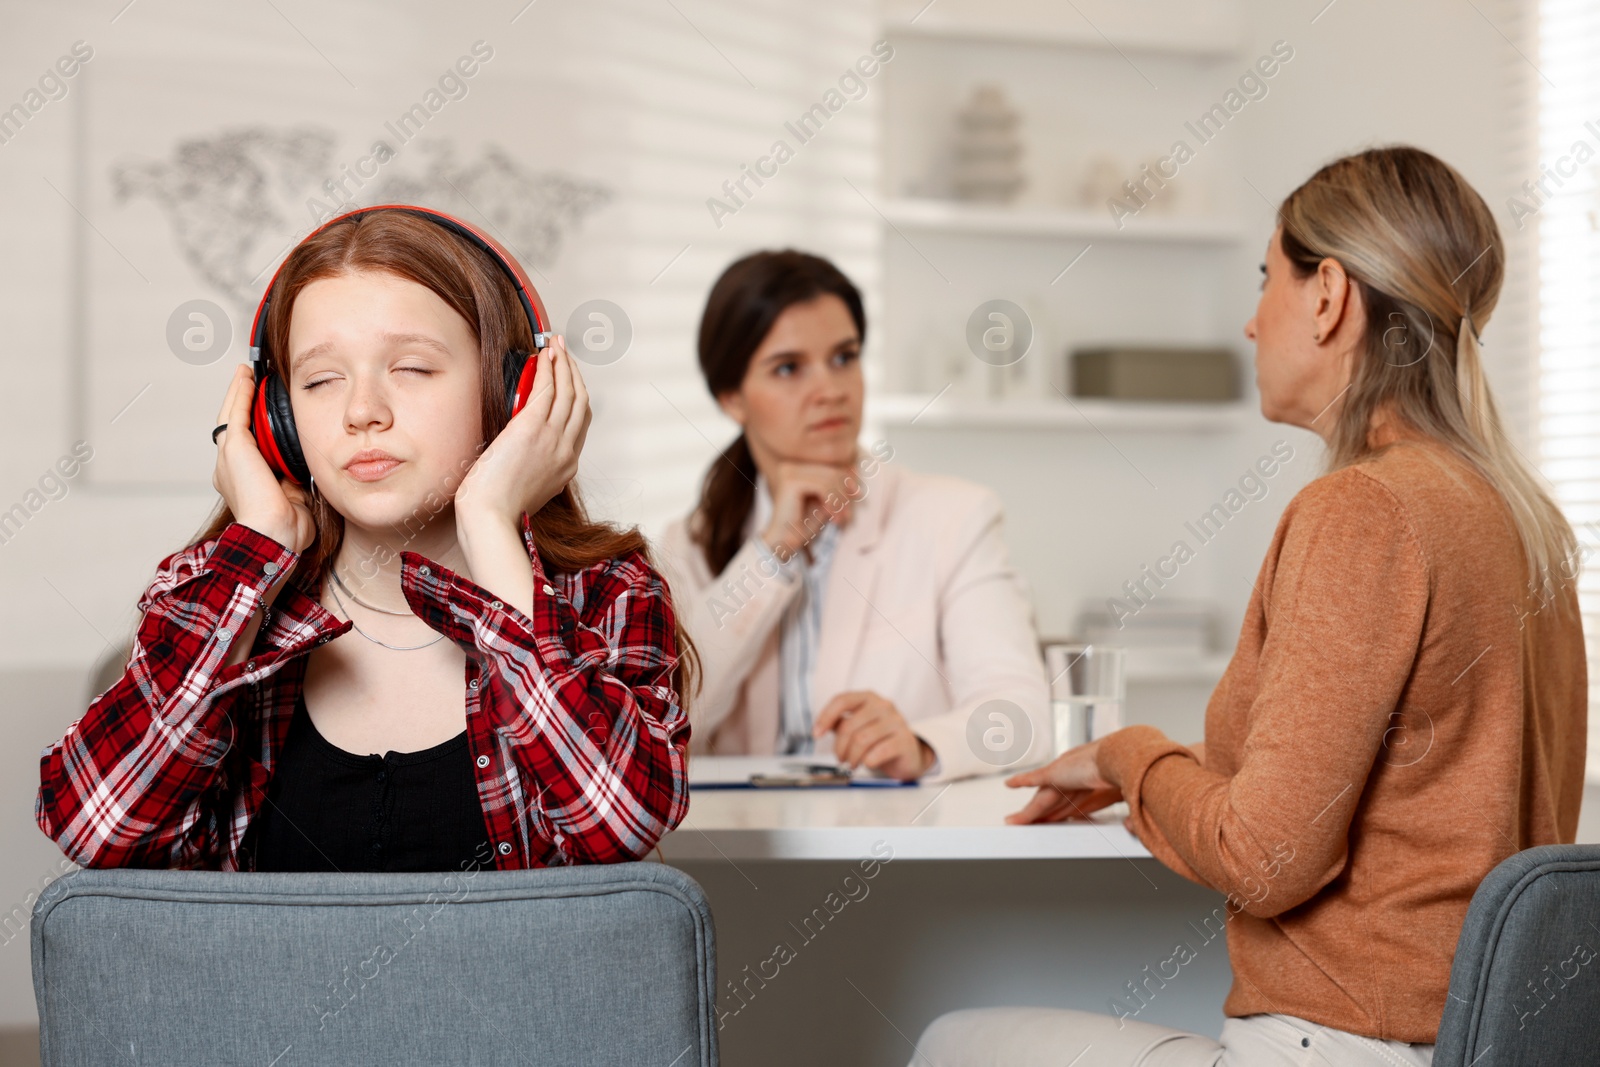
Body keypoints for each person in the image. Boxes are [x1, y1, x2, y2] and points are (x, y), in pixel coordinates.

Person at [911, 145, 1588, 1064]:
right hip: (1473, 1044)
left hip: (1341, 1045)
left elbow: (1265, 856)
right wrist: (1157, 768)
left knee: (955, 1041)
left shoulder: (1364, 510)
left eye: (1268, 277)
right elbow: (1383, 779)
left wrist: (1129, 752)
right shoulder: (1515, 515)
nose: (1248, 321)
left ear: (1329, 296)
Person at [36, 206, 694, 873]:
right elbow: (94, 827)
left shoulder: (607, 591)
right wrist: (256, 545)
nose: (361, 412)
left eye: (411, 368)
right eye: (320, 381)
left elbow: (624, 819)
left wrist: (492, 525)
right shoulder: (217, 590)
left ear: (514, 394)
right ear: (277, 421)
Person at [655, 249, 1050, 782]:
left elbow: (1021, 714)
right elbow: (667, 722)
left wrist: (921, 745)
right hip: (740, 849)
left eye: (844, 357)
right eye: (789, 368)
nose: (831, 390)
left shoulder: (953, 518)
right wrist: (769, 554)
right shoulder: (687, 547)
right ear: (732, 399)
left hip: (886, 841)